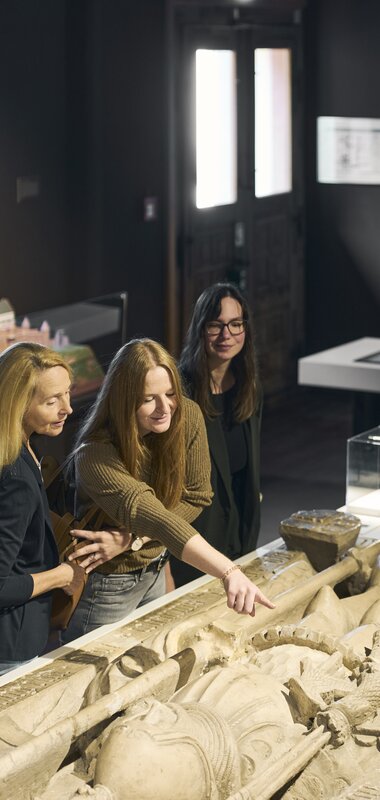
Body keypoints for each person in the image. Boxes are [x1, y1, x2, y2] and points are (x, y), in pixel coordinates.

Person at [62, 338, 273, 643]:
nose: (165, 408)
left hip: (156, 567)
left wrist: (132, 539)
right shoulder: (95, 455)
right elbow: (156, 518)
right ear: (123, 401)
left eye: (171, 393)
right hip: (108, 584)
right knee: (93, 671)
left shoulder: (187, 415)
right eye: (149, 399)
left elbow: (197, 496)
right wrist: (228, 571)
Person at [170, 282, 262, 587]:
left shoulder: (249, 386)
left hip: (240, 533)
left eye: (236, 324)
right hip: (195, 541)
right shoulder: (178, 390)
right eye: (215, 325)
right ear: (200, 328)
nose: (226, 335)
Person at [0, 342, 84, 676]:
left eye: (67, 393)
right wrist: (61, 575)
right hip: (10, 647)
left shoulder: (22, 449)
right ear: (18, 404)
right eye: (52, 401)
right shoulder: (16, 477)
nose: (68, 408)